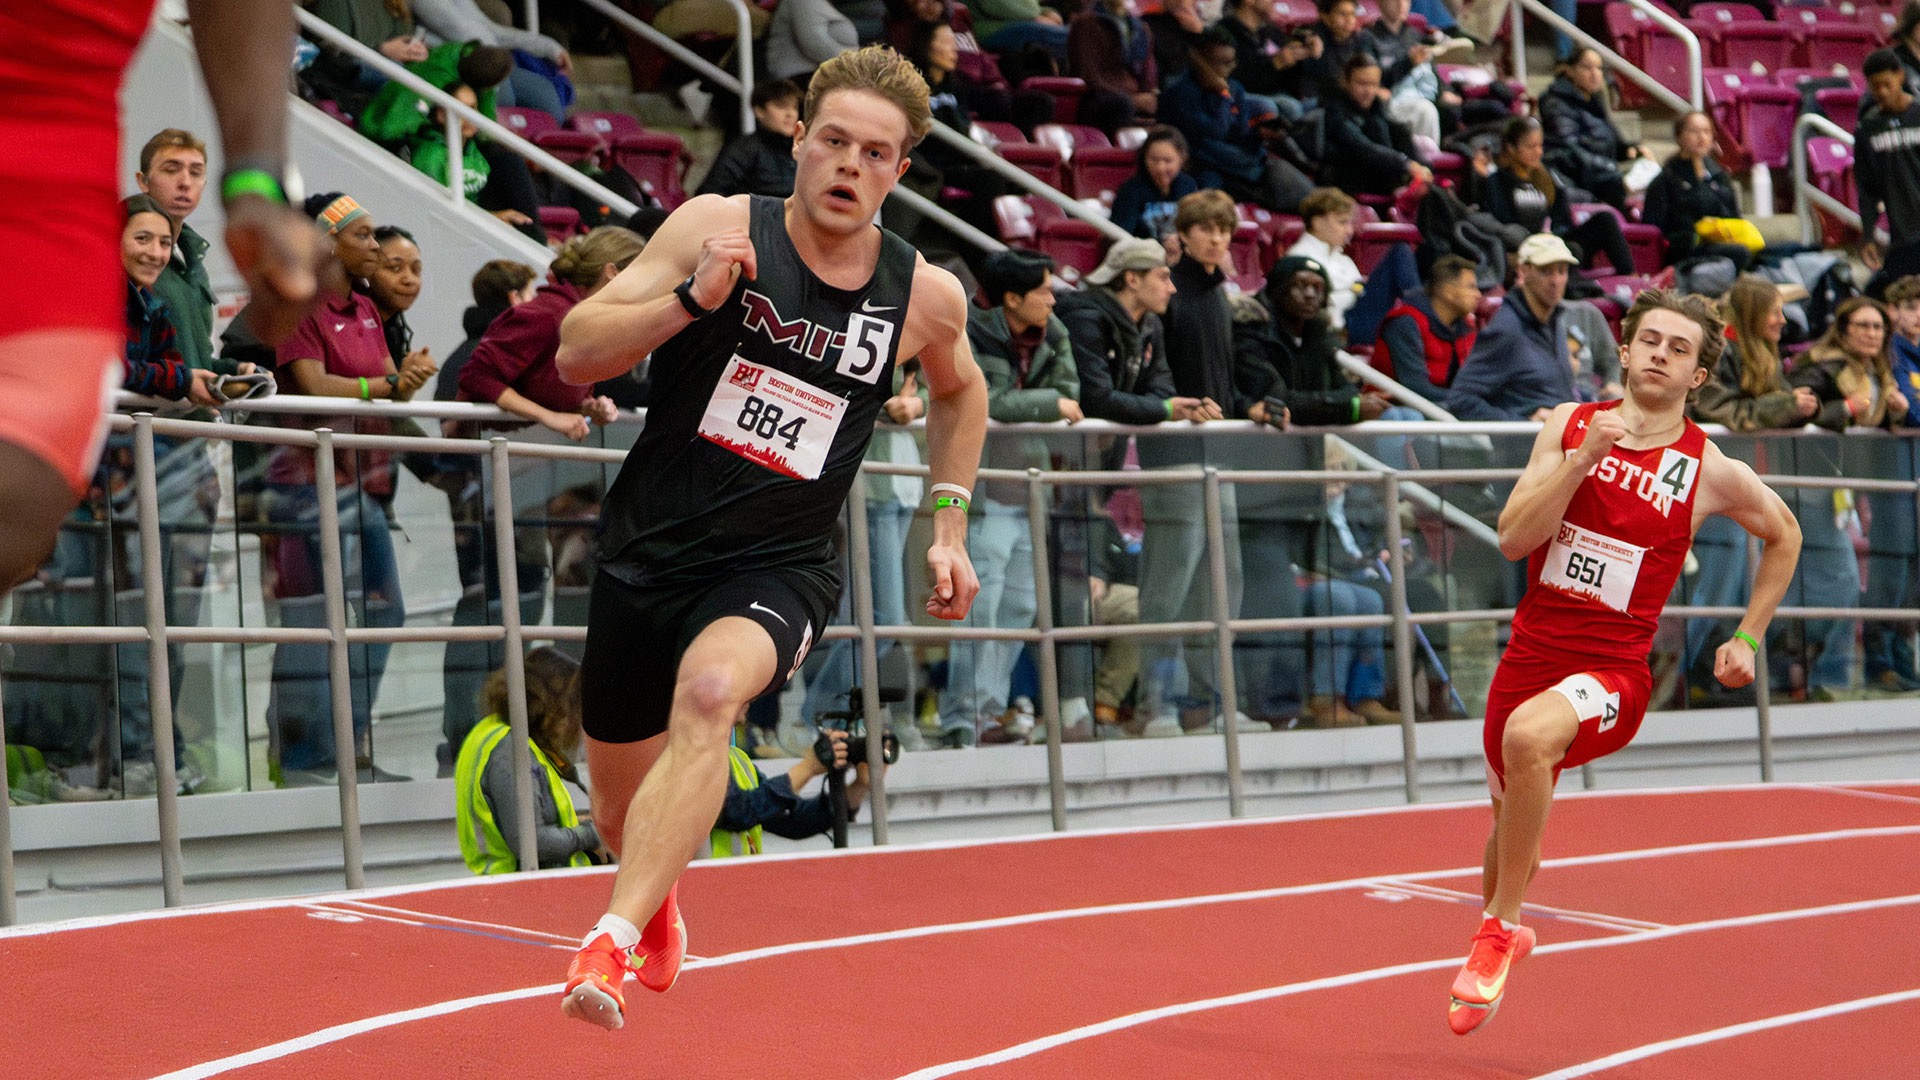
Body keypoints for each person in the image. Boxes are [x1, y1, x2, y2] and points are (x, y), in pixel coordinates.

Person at [550, 46, 986, 1030]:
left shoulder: (923, 294)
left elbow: (963, 393)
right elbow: (578, 352)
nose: (848, 165)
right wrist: (690, 302)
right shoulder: (716, 228)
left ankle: (608, 944)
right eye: (832, 140)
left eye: (875, 152)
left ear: (901, 167)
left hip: (778, 566)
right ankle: (649, 895)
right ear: (799, 138)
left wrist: (947, 522)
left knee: (711, 695)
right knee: (620, 815)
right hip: (643, 556)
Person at [1447, 288, 1802, 1035]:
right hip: (1530, 655)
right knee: (1516, 837)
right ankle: (1505, 925)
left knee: (1528, 739)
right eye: (1650, 341)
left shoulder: (1709, 468)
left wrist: (1748, 636)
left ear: (1698, 376)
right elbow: (1513, 539)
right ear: (1626, 348)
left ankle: (1496, 930)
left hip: (1613, 672)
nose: (1660, 356)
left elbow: (1786, 534)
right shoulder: (1569, 427)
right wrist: (1581, 463)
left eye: (1678, 349)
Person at [0, 0, 318, 592]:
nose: (186, 183)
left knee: (18, 505)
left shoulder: (189, 262)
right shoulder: (153, 261)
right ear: (144, 184)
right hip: (145, 434)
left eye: (195, 171)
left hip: (43, 196)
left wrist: (258, 179)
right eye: (175, 170)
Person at [266, 192, 435, 787]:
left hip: (363, 486)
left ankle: (343, 749)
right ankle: (305, 757)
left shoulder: (365, 308)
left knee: (382, 616)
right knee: (317, 622)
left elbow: (390, 394)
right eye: (362, 236)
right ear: (327, 242)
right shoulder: (298, 305)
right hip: (310, 485)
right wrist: (385, 384)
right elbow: (312, 385)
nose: (373, 245)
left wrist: (405, 381)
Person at [953, 250, 1083, 745]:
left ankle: (989, 711)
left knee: (1020, 609)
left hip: (1032, 488)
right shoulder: (971, 329)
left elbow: (1074, 391)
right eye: (1044, 291)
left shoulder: (1055, 331)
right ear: (1011, 299)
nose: (1053, 299)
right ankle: (964, 718)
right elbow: (991, 399)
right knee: (980, 609)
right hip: (984, 487)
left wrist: (1048, 403)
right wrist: (1049, 404)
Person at [1685, 275, 1818, 701]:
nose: (1781, 320)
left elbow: (1768, 409)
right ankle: (1690, 676)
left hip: (1755, 488)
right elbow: (1722, 410)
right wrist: (1784, 405)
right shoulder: (1722, 352)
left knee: (1748, 590)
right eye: (1773, 310)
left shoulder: (1765, 355)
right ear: (1750, 314)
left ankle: (1727, 678)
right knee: (1717, 588)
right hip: (1712, 484)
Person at [1786, 297, 1908, 701]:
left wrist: (1895, 413)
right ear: (1843, 328)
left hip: (1841, 492)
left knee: (1827, 583)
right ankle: (1821, 673)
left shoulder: (1877, 371)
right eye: (1863, 325)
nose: (1872, 333)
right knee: (1841, 581)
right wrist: (1845, 408)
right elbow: (1791, 409)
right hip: (1808, 486)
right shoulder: (1821, 366)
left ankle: (1812, 670)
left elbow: (1866, 424)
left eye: (1878, 327)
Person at [456, 647, 604, 874]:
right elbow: (534, 842)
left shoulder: (492, 734)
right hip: (523, 888)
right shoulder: (510, 752)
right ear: (557, 706)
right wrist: (595, 833)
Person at [1161, 28, 1312, 214]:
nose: (1227, 69)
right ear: (1200, 59)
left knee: (1301, 190)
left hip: (1238, 162)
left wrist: (1259, 133)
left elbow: (1240, 132)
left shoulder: (1235, 87)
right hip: (1203, 164)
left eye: (1231, 62)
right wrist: (1223, 95)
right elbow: (1217, 131)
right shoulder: (1180, 94)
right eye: (1220, 62)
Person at [1479, 117, 1634, 278]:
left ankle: (1631, 278)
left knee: (1605, 220)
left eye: (1540, 145)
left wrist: (1555, 234)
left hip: (1556, 243)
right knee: (1570, 251)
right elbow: (1502, 222)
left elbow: (1563, 219)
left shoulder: (1547, 178)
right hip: (1527, 248)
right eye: (1531, 146)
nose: (1538, 152)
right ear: (1511, 148)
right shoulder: (1497, 181)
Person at [1446, 235, 1578, 423]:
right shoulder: (1506, 329)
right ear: (1524, 271)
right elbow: (1461, 400)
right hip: (1524, 448)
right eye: (1546, 271)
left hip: (1559, 444)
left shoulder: (1555, 320)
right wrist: (1522, 423)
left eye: (1562, 271)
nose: (1555, 281)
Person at [1285, 186, 1423, 344]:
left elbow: (1357, 287)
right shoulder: (1300, 258)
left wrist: (1356, 289)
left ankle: (1422, 317)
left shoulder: (1340, 257)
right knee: (1400, 252)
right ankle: (1425, 318)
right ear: (1318, 222)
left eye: (1349, 223)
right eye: (1342, 223)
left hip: (1358, 314)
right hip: (1342, 327)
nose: (1349, 231)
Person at [410, 0, 575, 119]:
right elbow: (473, 38)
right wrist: (499, 58)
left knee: (547, 97)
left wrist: (550, 48)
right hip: (457, 67)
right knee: (504, 96)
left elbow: (493, 31)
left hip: (489, 58)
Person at [1538, 47, 1654, 214]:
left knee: (1659, 177)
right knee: (1616, 182)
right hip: (1577, 174)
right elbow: (1570, 150)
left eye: (1599, 68)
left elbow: (1614, 142)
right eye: (1587, 67)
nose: (1595, 74)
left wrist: (1634, 150)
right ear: (1570, 71)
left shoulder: (1595, 100)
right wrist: (1610, 167)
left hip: (1602, 169)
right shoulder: (1555, 103)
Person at [1642, 111, 1751, 270]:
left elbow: (1735, 217)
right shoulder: (1665, 181)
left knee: (1786, 249)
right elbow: (1654, 230)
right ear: (1679, 136)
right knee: (1741, 253)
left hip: (1723, 242)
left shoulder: (1718, 176)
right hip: (1688, 250)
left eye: (1707, 132)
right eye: (1694, 131)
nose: (1702, 137)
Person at [1322, 53, 1433, 199]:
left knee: (1402, 132)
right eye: (1362, 84)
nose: (1368, 91)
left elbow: (1392, 139)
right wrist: (1405, 165)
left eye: (1373, 84)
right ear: (1346, 82)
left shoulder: (1376, 109)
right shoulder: (1334, 110)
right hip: (1348, 178)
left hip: (1381, 174)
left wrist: (1420, 167)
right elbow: (1360, 147)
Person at [1378, 254, 1481, 407]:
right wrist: (1472, 400)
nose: (1478, 295)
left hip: (1445, 407)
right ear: (1448, 292)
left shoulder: (1466, 328)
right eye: (1471, 287)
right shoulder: (1405, 323)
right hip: (1398, 411)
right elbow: (1416, 389)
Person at [1858, 49, 1920, 298]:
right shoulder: (1867, 129)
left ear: (1900, 76)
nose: (1882, 91)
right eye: (1875, 86)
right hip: (1902, 235)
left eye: (1887, 84)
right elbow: (1866, 189)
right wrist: (1868, 235)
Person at [697, 80, 803, 198]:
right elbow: (711, 194)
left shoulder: (804, 149)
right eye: (781, 106)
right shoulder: (744, 149)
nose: (790, 114)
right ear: (759, 111)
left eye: (794, 107)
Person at [1068, 0, 1160, 135]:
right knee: (1121, 105)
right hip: (1099, 103)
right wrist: (1133, 100)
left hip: (1134, 101)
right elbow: (1090, 78)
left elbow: (1149, 77)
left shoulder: (1141, 28)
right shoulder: (1086, 23)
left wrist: (1153, 97)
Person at [1109, 126, 1200, 240]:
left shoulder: (1188, 185)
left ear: (1181, 159)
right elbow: (1121, 236)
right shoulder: (1130, 190)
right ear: (1145, 159)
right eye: (1154, 160)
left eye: (1168, 161)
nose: (1160, 168)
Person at [767, 0, 859, 85]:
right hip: (802, 80)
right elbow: (815, 46)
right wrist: (855, 59)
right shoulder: (804, 2)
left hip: (821, 76)